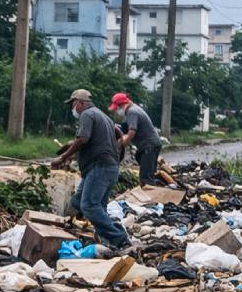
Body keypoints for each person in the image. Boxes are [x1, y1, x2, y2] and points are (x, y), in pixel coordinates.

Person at [52, 89, 131, 249]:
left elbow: (83, 139)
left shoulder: (87, 115)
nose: (72, 108)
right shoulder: (103, 116)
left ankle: (119, 237)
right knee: (79, 201)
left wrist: (63, 157)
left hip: (99, 168)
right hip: (108, 168)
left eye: (73, 103)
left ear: (81, 103)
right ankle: (103, 238)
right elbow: (118, 135)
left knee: (89, 205)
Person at [109, 92, 164, 186]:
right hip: (149, 145)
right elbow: (125, 128)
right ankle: (152, 185)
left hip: (149, 145)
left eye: (117, 108)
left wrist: (121, 146)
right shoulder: (134, 109)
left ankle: (150, 196)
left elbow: (132, 131)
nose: (117, 111)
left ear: (122, 105)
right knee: (140, 158)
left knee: (145, 178)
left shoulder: (132, 112)